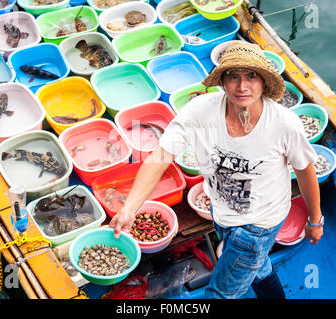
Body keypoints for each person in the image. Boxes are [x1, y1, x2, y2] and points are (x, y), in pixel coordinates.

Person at [109, 41, 324, 299]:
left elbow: (305, 171)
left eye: (251, 76)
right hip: (220, 211)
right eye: (233, 76)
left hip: (260, 224)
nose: (242, 86)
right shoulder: (201, 112)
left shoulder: (284, 124)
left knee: (220, 294)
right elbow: (161, 156)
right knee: (259, 268)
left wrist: (315, 220)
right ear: (222, 81)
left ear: (264, 83)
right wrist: (129, 208)